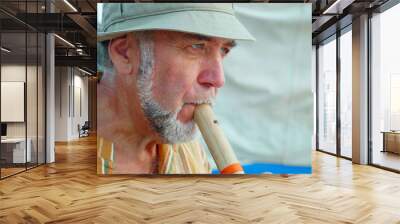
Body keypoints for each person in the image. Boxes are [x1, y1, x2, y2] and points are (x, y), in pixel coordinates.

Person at [97, 3, 254, 174]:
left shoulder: (184, 141)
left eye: (224, 50)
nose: (218, 79)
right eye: (197, 46)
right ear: (125, 53)